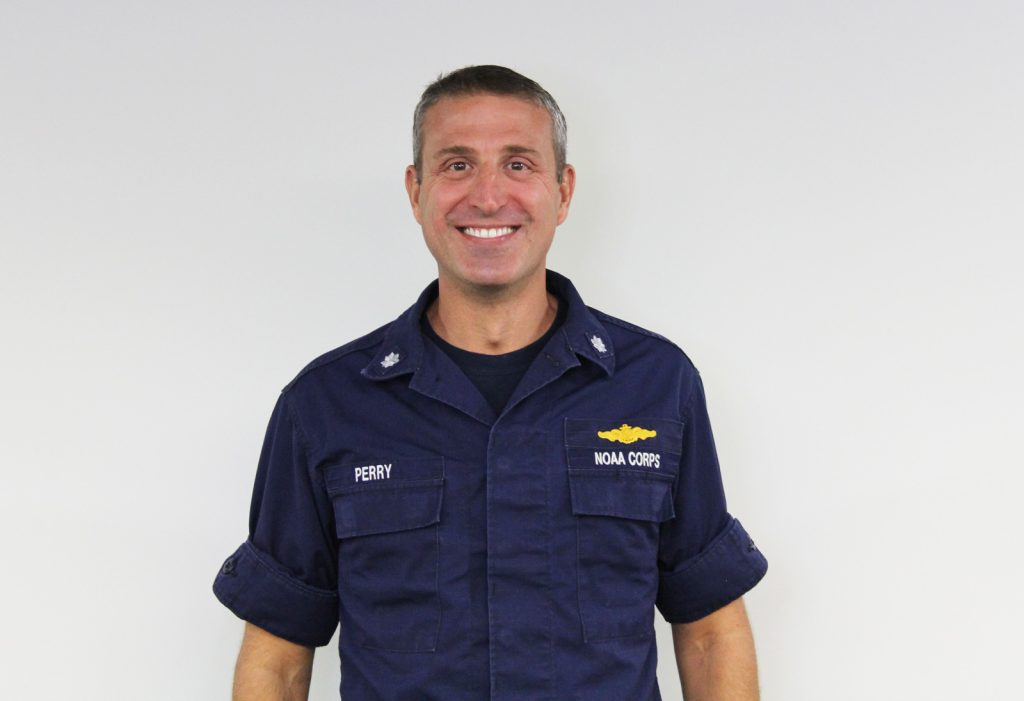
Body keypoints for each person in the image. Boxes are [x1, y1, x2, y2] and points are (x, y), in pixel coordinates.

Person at [214, 64, 768, 701]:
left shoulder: (656, 385)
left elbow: (709, 630)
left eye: (518, 164)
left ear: (563, 192)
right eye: (455, 165)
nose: (486, 197)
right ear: (414, 191)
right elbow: (278, 654)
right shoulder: (326, 405)